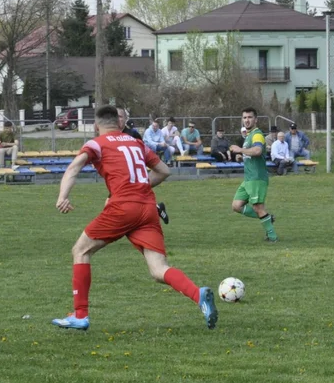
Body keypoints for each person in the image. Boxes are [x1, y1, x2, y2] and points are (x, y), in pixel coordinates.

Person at [51, 106, 217, 331]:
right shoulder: (135, 142)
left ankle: (80, 315)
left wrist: (63, 196)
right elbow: (164, 171)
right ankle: (198, 295)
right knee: (158, 269)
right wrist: (138, 187)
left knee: (80, 251)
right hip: (148, 208)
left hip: (123, 207)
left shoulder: (96, 143)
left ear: (96, 126)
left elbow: (73, 169)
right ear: (119, 124)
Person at [229, 107, 278, 242]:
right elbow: (250, 154)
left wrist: (240, 149)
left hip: (256, 178)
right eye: (244, 117)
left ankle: (272, 236)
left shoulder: (257, 134)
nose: (247, 120)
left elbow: (257, 150)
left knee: (258, 207)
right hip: (248, 179)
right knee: (236, 206)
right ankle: (268, 218)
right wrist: (241, 156)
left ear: (255, 119)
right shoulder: (248, 136)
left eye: (250, 117)